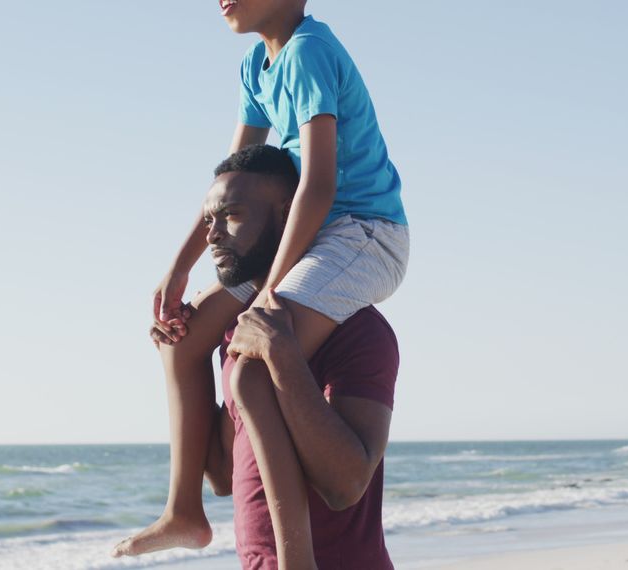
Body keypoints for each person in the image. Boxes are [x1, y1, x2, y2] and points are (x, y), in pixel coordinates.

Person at [112, 1, 408, 567]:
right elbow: (232, 184)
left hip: (362, 233)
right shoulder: (256, 65)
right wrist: (180, 267)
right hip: (310, 234)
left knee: (252, 362)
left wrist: (268, 293)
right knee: (189, 338)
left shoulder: (309, 51)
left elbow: (318, 187)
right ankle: (183, 511)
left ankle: (297, 560)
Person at [126, 145, 400, 569]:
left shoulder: (358, 330)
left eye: (232, 216)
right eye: (208, 220)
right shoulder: (236, 336)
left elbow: (346, 484)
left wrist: (284, 358)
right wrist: (176, 352)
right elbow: (222, 474)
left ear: (288, 214)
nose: (213, 235)